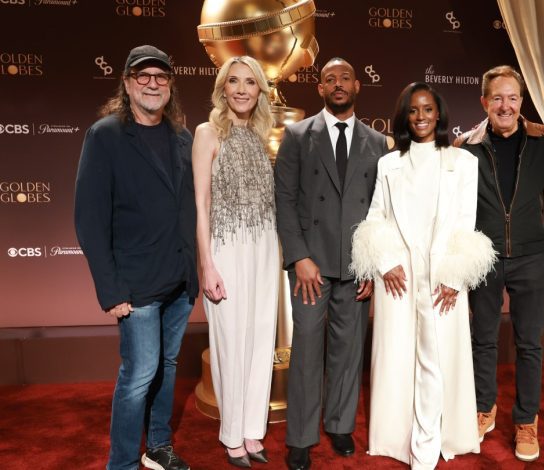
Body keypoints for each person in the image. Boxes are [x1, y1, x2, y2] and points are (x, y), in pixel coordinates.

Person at [351, 82, 495, 469]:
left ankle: (429, 445)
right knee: (398, 359)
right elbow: (374, 219)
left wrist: (454, 274)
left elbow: (467, 223)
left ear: (439, 113)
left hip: (443, 278)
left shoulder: (463, 163)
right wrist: (383, 263)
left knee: (436, 358)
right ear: (404, 116)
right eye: (413, 110)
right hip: (399, 277)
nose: (420, 117)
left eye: (428, 109)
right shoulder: (389, 163)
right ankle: (402, 439)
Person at [74, 45, 198, 470]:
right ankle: (122, 462)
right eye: (142, 76)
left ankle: (158, 446)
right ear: (126, 84)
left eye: (160, 76)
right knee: (138, 376)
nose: (152, 83)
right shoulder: (105, 135)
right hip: (135, 286)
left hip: (179, 282)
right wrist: (111, 289)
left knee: (165, 366)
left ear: (170, 85)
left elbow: (190, 211)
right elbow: (89, 221)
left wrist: (196, 272)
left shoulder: (183, 138)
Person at [274, 57, 389, 470]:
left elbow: (381, 211)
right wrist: (299, 257)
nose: (337, 84)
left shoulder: (377, 143)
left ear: (357, 85)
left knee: (348, 349)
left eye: (344, 78)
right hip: (311, 266)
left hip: (355, 265)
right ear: (319, 88)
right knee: (305, 347)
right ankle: (301, 436)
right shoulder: (297, 134)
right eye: (329, 79)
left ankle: (340, 425)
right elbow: (284, 202)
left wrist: (372, 266)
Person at [454, 65, 544, 462]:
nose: (505, 105)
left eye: (513, 97)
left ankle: (527, 420)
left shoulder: (543, 140)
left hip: (531, 256)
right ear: (483, 102)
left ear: (521, 102)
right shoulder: (466, 146)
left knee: (530, 344)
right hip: (485, 257)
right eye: (497, 97)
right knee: (484, 339)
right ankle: (483, 407)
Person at [192, 56, 278, 468]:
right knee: (229, 340)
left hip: (264, 250)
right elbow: (201, 204)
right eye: (234, 82)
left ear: (260, 90)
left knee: (262, 339)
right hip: (225, 250)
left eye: (250, 82)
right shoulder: (207, 134)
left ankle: (252, 431)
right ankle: (231, 435)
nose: (242, 89)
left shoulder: (264, 136)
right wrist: (206, 264)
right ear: (222, 88)